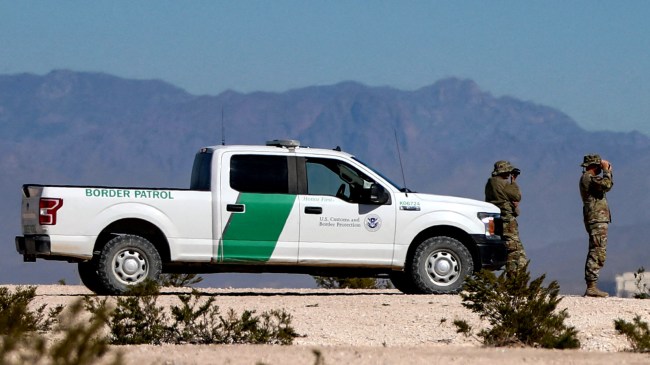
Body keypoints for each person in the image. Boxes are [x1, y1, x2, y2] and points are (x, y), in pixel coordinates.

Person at [579, 154, 613, 297]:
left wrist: (607, 172)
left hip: (596, 219)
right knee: (597, 251)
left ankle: (592, 285)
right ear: (594, 166)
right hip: (596, 219)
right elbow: (606, 185)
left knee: (597, 250)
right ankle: (591, 286)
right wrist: (607, 171)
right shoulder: (589, 178)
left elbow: (606, 186)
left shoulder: (589, 178)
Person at [485, 160, 527, 275]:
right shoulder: (503, 183)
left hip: (492, 219)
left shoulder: (490, 183)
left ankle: (518, 277)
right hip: (506, 219)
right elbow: (517, 196)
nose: (509, 174)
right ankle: (513, 279)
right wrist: (513, 183)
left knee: (514, 249)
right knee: (514, 249)